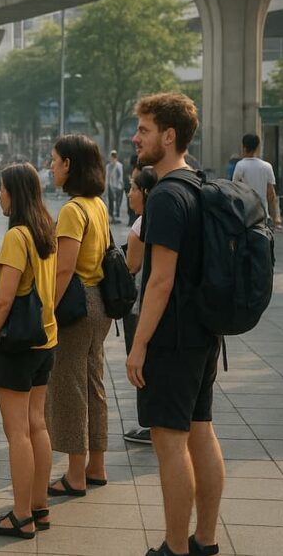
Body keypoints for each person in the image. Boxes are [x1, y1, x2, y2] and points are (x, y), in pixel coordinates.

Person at [127, 92, 222, 556]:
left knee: (169, 442)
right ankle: (203, 540)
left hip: (173, 338)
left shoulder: (165, 196)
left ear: (169, 136)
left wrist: (138, 345)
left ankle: (173, 548)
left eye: (144, 130)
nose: (136, 138)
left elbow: (159, 281)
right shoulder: (199, 184)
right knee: (202, 431)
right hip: (204, 335)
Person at [0, 163, 57, 540]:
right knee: (37, 424)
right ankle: (40, 506)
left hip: (17, 344)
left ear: (16, 193)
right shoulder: (47, 230)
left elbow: (4, 300)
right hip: (46, 340)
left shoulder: (16, 238)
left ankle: (21, 515)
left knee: (17, 433)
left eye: (1, 188)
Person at [46, 135, 113, 498]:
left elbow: (63, 270)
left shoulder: (73, 210)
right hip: (99, 303)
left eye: (54, 160)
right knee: (93, 384)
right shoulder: (97, 205)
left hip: (77, 305)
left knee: (70, 386)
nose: (51, 166)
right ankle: (96, 465)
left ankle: (74, 474)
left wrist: (47, 311)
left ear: (69, 164)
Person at [123, 165, 159, 445]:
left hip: (140, 306)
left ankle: (150, 422)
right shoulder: (162, 218)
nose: (129, 193)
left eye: (133, 188)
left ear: (145, 192)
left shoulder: (140, 226)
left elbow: (131, 266)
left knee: (141, 364)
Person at [232, 133, 281, 229]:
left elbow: (234, 190)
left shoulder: (240, 166)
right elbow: (271, 195)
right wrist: (276, 217)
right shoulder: (267, 166)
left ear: (243, 147)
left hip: (245, 215)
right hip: (262, 215)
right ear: (257, 147)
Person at [105, 150, 124, 223]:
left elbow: (120, 176)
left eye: (114, 156)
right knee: (111, 201)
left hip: (118, 186)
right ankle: (111, 216)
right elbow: (107, 176)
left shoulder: (119, 165)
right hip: (110, 185)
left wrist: (120, 185)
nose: (112, 158)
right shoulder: (108, 166)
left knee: (118, 202)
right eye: (112, 156)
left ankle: (117, 217)